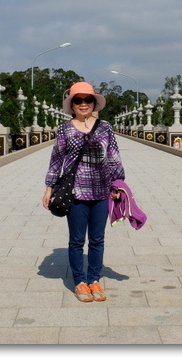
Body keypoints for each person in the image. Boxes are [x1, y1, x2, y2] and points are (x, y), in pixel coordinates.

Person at [42, 82, 125, 302]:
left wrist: (118, 184)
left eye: (87, 100)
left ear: (94, 103)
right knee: (77, 240)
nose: (83, 104)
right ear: (72, 104)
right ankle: (79, 281)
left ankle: (94, 279)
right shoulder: (65, 129)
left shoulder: (105, 127)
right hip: (75, 192)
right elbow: (57, 159)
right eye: (78, 100)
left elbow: (114, 157)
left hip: (102, 190)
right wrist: (49, 187)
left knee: (97, 239)